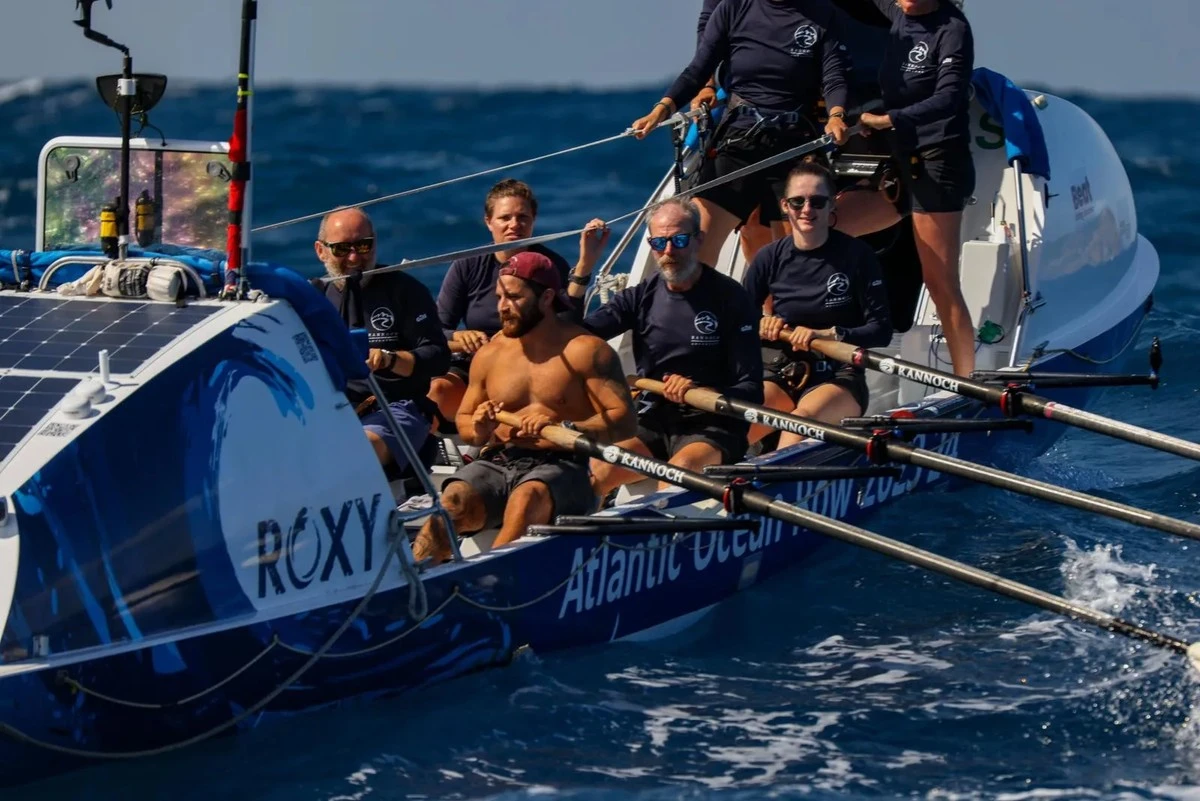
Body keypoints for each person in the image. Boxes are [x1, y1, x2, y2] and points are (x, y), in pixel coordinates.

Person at [412, 251, 637, 564]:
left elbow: (624, 423)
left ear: (546, 298)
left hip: (567, 467)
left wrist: (566, 428)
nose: (503, 307)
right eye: (500, 296)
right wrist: (478, 428)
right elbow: (465, 420)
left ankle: (487, 581)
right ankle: (413, 586)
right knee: (451, 502)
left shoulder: (586, 350)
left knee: (525, 498)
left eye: (514, 297)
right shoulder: (491, 354)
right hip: (500, 459)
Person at [630, 0, 851, 269]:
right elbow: (698, 69)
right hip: (739, 138)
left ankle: (773, 311)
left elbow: (834, 77)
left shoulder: (823, 14)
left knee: (792, 259)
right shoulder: (734, 8)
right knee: (696, 247)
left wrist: (836, 115)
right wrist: (662, 110)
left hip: (792, 142)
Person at [583, 197, 762, 499]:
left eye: (679, 240)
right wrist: (584, 267)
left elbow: (752, 389)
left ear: (698, 239)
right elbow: (574, 334)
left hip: (713, 424)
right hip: (655, 419)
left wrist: (700, 389)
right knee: (598, 470)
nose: (668, 252)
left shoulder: (731, 298)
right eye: (659, 242)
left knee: (676, 474)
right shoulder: (640, 297)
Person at [836, 0, 976, 376]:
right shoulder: (899, 14)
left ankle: (966, 378)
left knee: (939, 281)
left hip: (937, 162)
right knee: (825, 228)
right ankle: (832, 350)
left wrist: (887, 120)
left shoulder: (952, 28)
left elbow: (948, 99)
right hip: (899, 162)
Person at [428, 179, 610, 426]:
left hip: (532, 365)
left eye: (523, 217)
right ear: (488, 222)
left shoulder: (550, 266)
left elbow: (567, 328)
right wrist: (458, 337)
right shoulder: (467, 265)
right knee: (437, 390)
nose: (515, 225)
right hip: (479, 362)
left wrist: (585, 265)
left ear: (533, 221)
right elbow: (436, 330)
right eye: (505, 218)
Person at [742, 162, 892, 448]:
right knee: (733, 431)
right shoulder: (769, 257)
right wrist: (762, 321)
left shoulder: (859, 256)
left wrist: (829, 334)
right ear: (785, 206)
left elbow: (881, 331)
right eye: (798, 201)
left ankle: (778, 486)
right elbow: (739, 320)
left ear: (832, 206)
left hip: (839, 373)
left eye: (817, 201)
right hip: (784, 369)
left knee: (799, 421)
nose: (807, 209)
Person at [314, 207, 450, 470]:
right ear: (321, 251)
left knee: (352, 450)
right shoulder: (314, 298)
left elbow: (438, 357)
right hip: (332, 409)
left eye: (363, 246)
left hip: (396, 407)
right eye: (342, 249)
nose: (354, 257)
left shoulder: (405, 291)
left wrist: (390, 360)